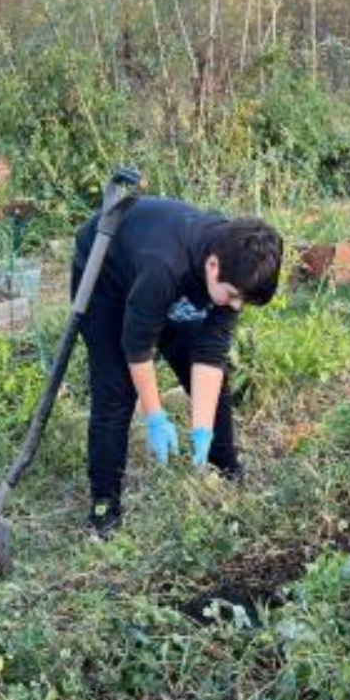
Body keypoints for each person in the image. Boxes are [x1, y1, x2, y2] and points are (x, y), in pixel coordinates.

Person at [70, 195, 284, 534]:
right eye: (232, 296)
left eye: (243, 299)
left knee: (212, 383)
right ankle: (104, 506)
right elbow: (137, 347)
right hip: (105, 273)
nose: (235, 305)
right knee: (115, 392)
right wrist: (155, 415)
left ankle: (225, 468)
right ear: (212, 266)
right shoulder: (164, 266)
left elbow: (210, 355)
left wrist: (202, 430)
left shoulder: (235, 265)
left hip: (160, 279)